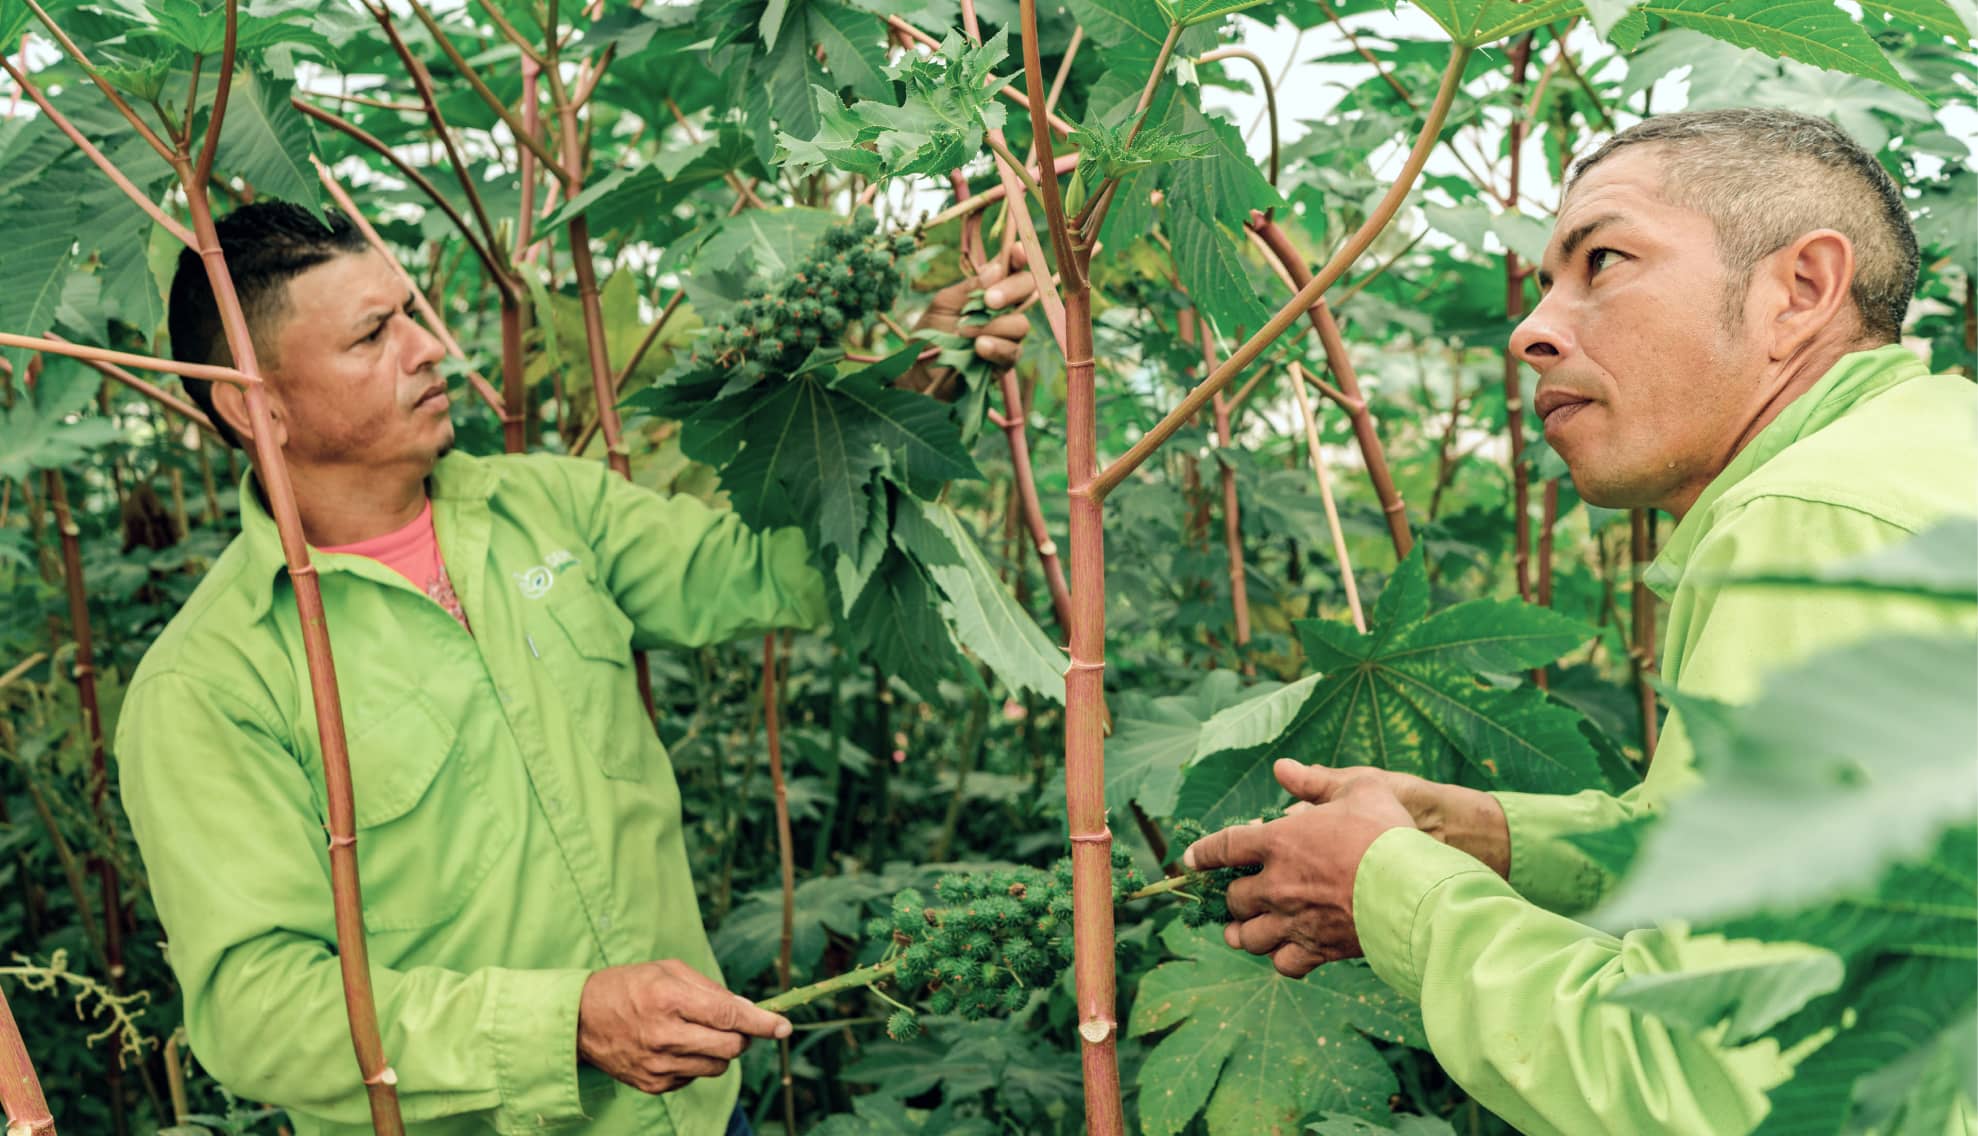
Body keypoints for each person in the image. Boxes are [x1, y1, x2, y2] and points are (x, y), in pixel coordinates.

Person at [117, 201, 1031, 1135]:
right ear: (254, 403)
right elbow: (257, 1012)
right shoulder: (209, 684)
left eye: (411, 312)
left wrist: (911, 385)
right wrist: (566, 1025)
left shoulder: (548, 505)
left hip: (701, 1114)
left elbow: (781, 573)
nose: (430, 346)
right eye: (372, 335)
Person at [1183, 108, 1977, 1134]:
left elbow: (1717, 1084)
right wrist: (1493, 838)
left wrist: (1389, 884)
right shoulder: (1922, 456)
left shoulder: (1814, 524)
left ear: (1801, 290)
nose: (1531, 329)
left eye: (1603, 259)